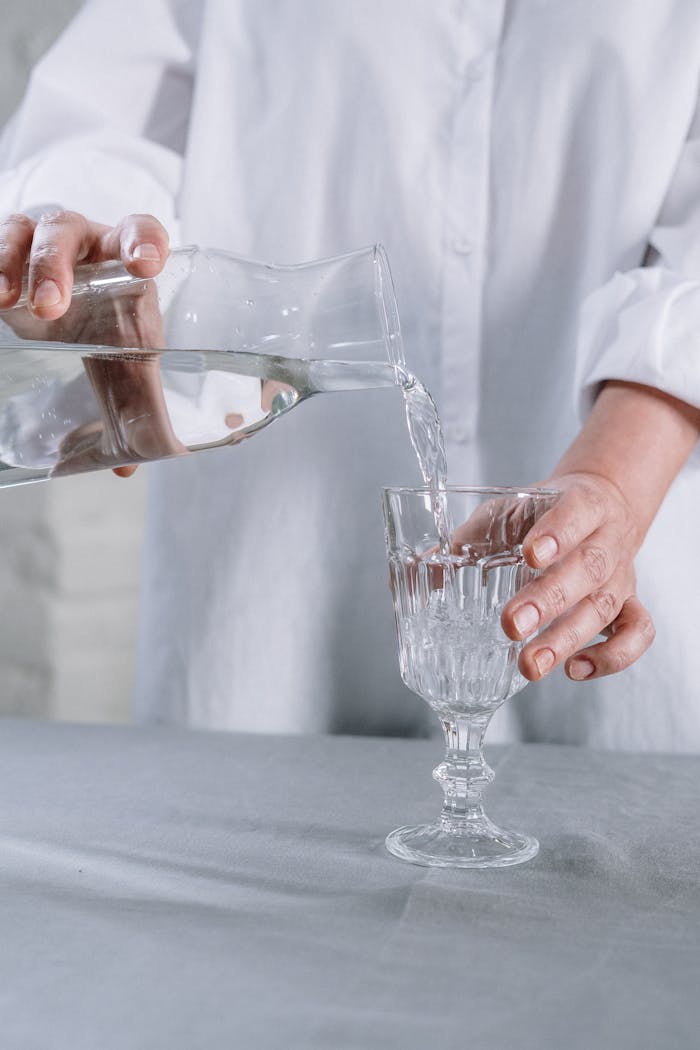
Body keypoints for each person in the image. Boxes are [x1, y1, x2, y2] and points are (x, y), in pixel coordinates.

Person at [0, 0, 698, 749]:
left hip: (618, 589)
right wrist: (82, 246)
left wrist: (616, 481)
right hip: (264, 609)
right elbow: (105, 112)